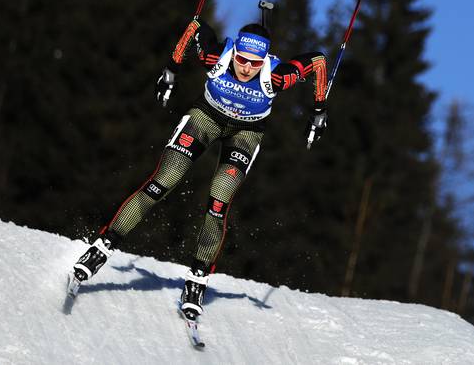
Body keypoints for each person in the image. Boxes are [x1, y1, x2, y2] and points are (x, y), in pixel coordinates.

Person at [68, 16, 328, 320]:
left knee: (219, 201)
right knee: (162, 181)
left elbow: (318, 60)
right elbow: (196, 26)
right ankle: (102, 248)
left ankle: (197, 279)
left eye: (255, 63)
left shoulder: (277, 76)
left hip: (247, 132)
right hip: (206, 117)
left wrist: (320, 108)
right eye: (243, 60)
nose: (247, 68)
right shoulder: (216, 57)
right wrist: (172, 67)